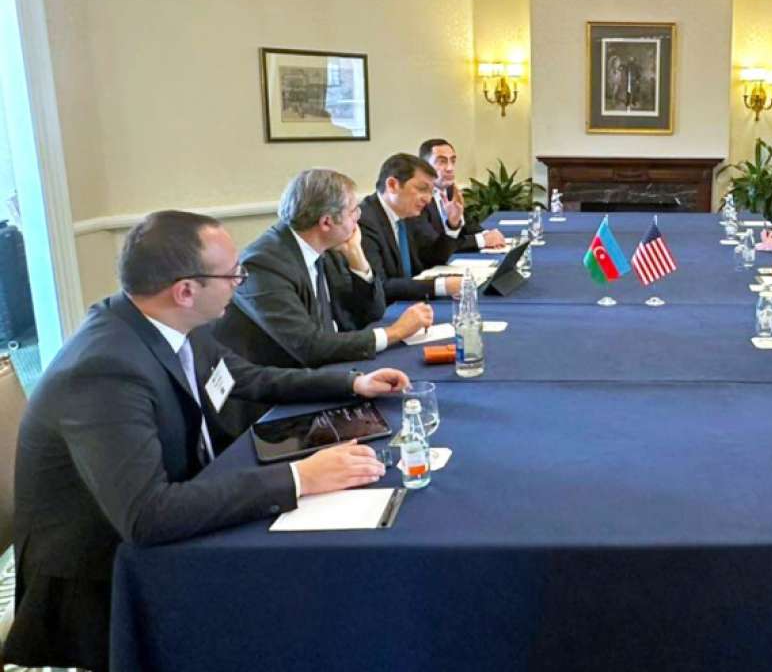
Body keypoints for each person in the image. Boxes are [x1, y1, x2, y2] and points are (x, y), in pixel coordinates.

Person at [5, 211, 407, 672]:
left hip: (175, 520)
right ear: (185, 291)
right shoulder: (104, 370)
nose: (240, 283)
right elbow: (148, 515)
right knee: (303, 600)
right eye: (232, 274)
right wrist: (301, 477)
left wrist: (352, 383)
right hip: (104, 584)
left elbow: (247, 377)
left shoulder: (168, 323)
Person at [213, 168, 433, 369]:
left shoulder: (327, 247)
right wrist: (395, 332)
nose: (358, 219)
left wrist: (357, 258)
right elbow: (308, 347)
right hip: (280, 384)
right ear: (326, 222)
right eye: (353, 212)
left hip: (325, 367)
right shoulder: (263, 265)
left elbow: (371, 314)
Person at [357, 153, 461, 303]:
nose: (428, 199)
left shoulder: (409, 214)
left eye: (431, 192)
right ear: (392, 185)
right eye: (422, 189)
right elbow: (380, 286)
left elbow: (432, 257)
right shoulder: (365, 221)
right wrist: (441, 286)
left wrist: (452, 225)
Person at [415, 138, 506, 254]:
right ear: (424, 167)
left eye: (453, 161)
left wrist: (487, 234)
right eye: (442, 161)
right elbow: (433, 245)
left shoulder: (450, 190)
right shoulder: (418, 199)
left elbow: (468, 226)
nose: (450, 168)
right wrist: (481, 240)